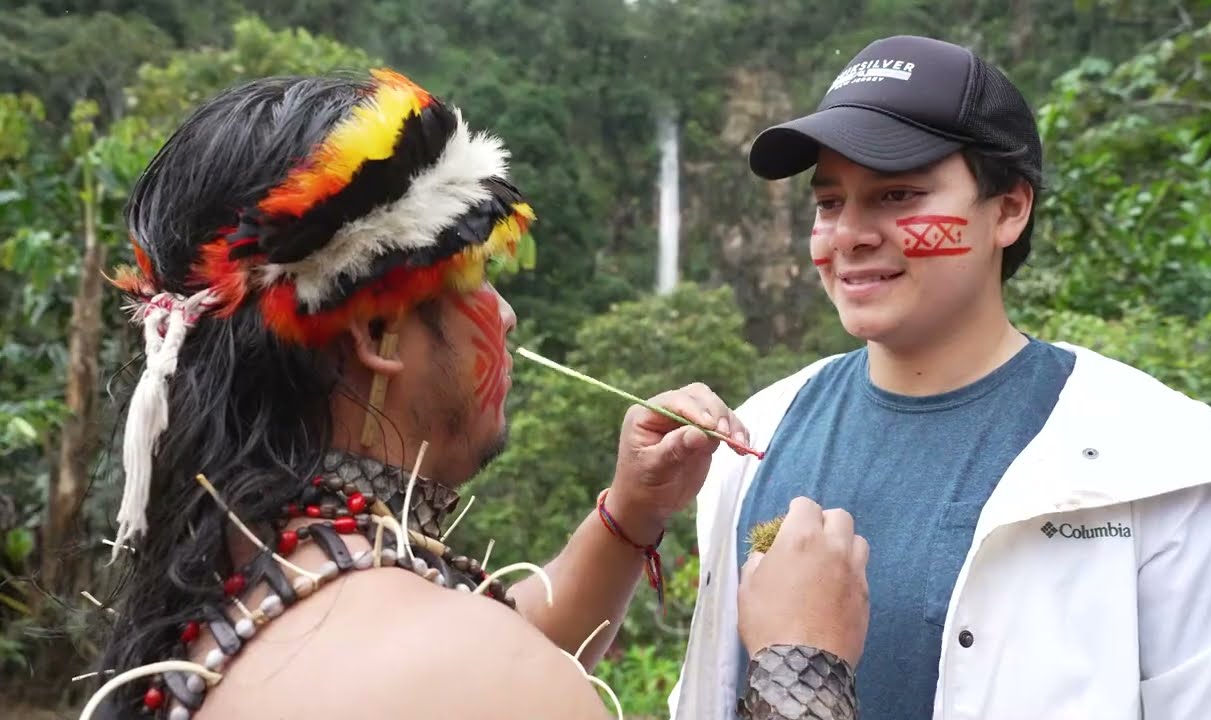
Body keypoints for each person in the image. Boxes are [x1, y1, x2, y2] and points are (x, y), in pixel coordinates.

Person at [82, 69, 869, 720]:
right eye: (480, 280)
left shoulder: (244, 580)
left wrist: (632, 516)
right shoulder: (469, 674)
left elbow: (498, 642)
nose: (508, 314)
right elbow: (487, 670)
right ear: (380, 334)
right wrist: (802, 664)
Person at [671, 34, 1211, 720]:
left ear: (1010, 209)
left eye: (898, 194)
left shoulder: (1160, 462)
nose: (850, 234)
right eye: (830, 202)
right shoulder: (754, 438)